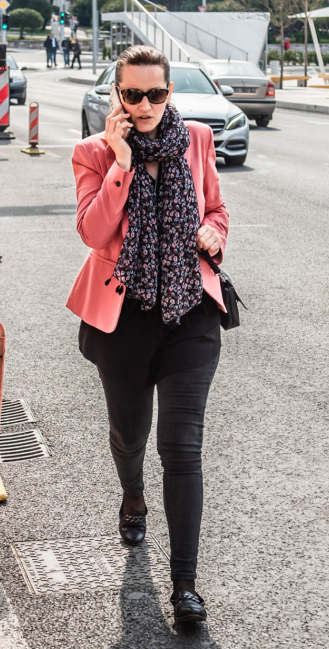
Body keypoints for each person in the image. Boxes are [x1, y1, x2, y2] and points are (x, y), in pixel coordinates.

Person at [67, 45, 229, 627]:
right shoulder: (93, 152)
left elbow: (216, 209)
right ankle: (131, 495)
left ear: (169, 93)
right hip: (125, 318)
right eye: (132, 95)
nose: (144, 106)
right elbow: (93, 231)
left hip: (190, 312)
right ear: (116, 95)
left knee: (181, 447)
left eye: (155, 94)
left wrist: (212, 234)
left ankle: (185, 585)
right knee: (129, 436)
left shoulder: (198, 140)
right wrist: (120, 161)